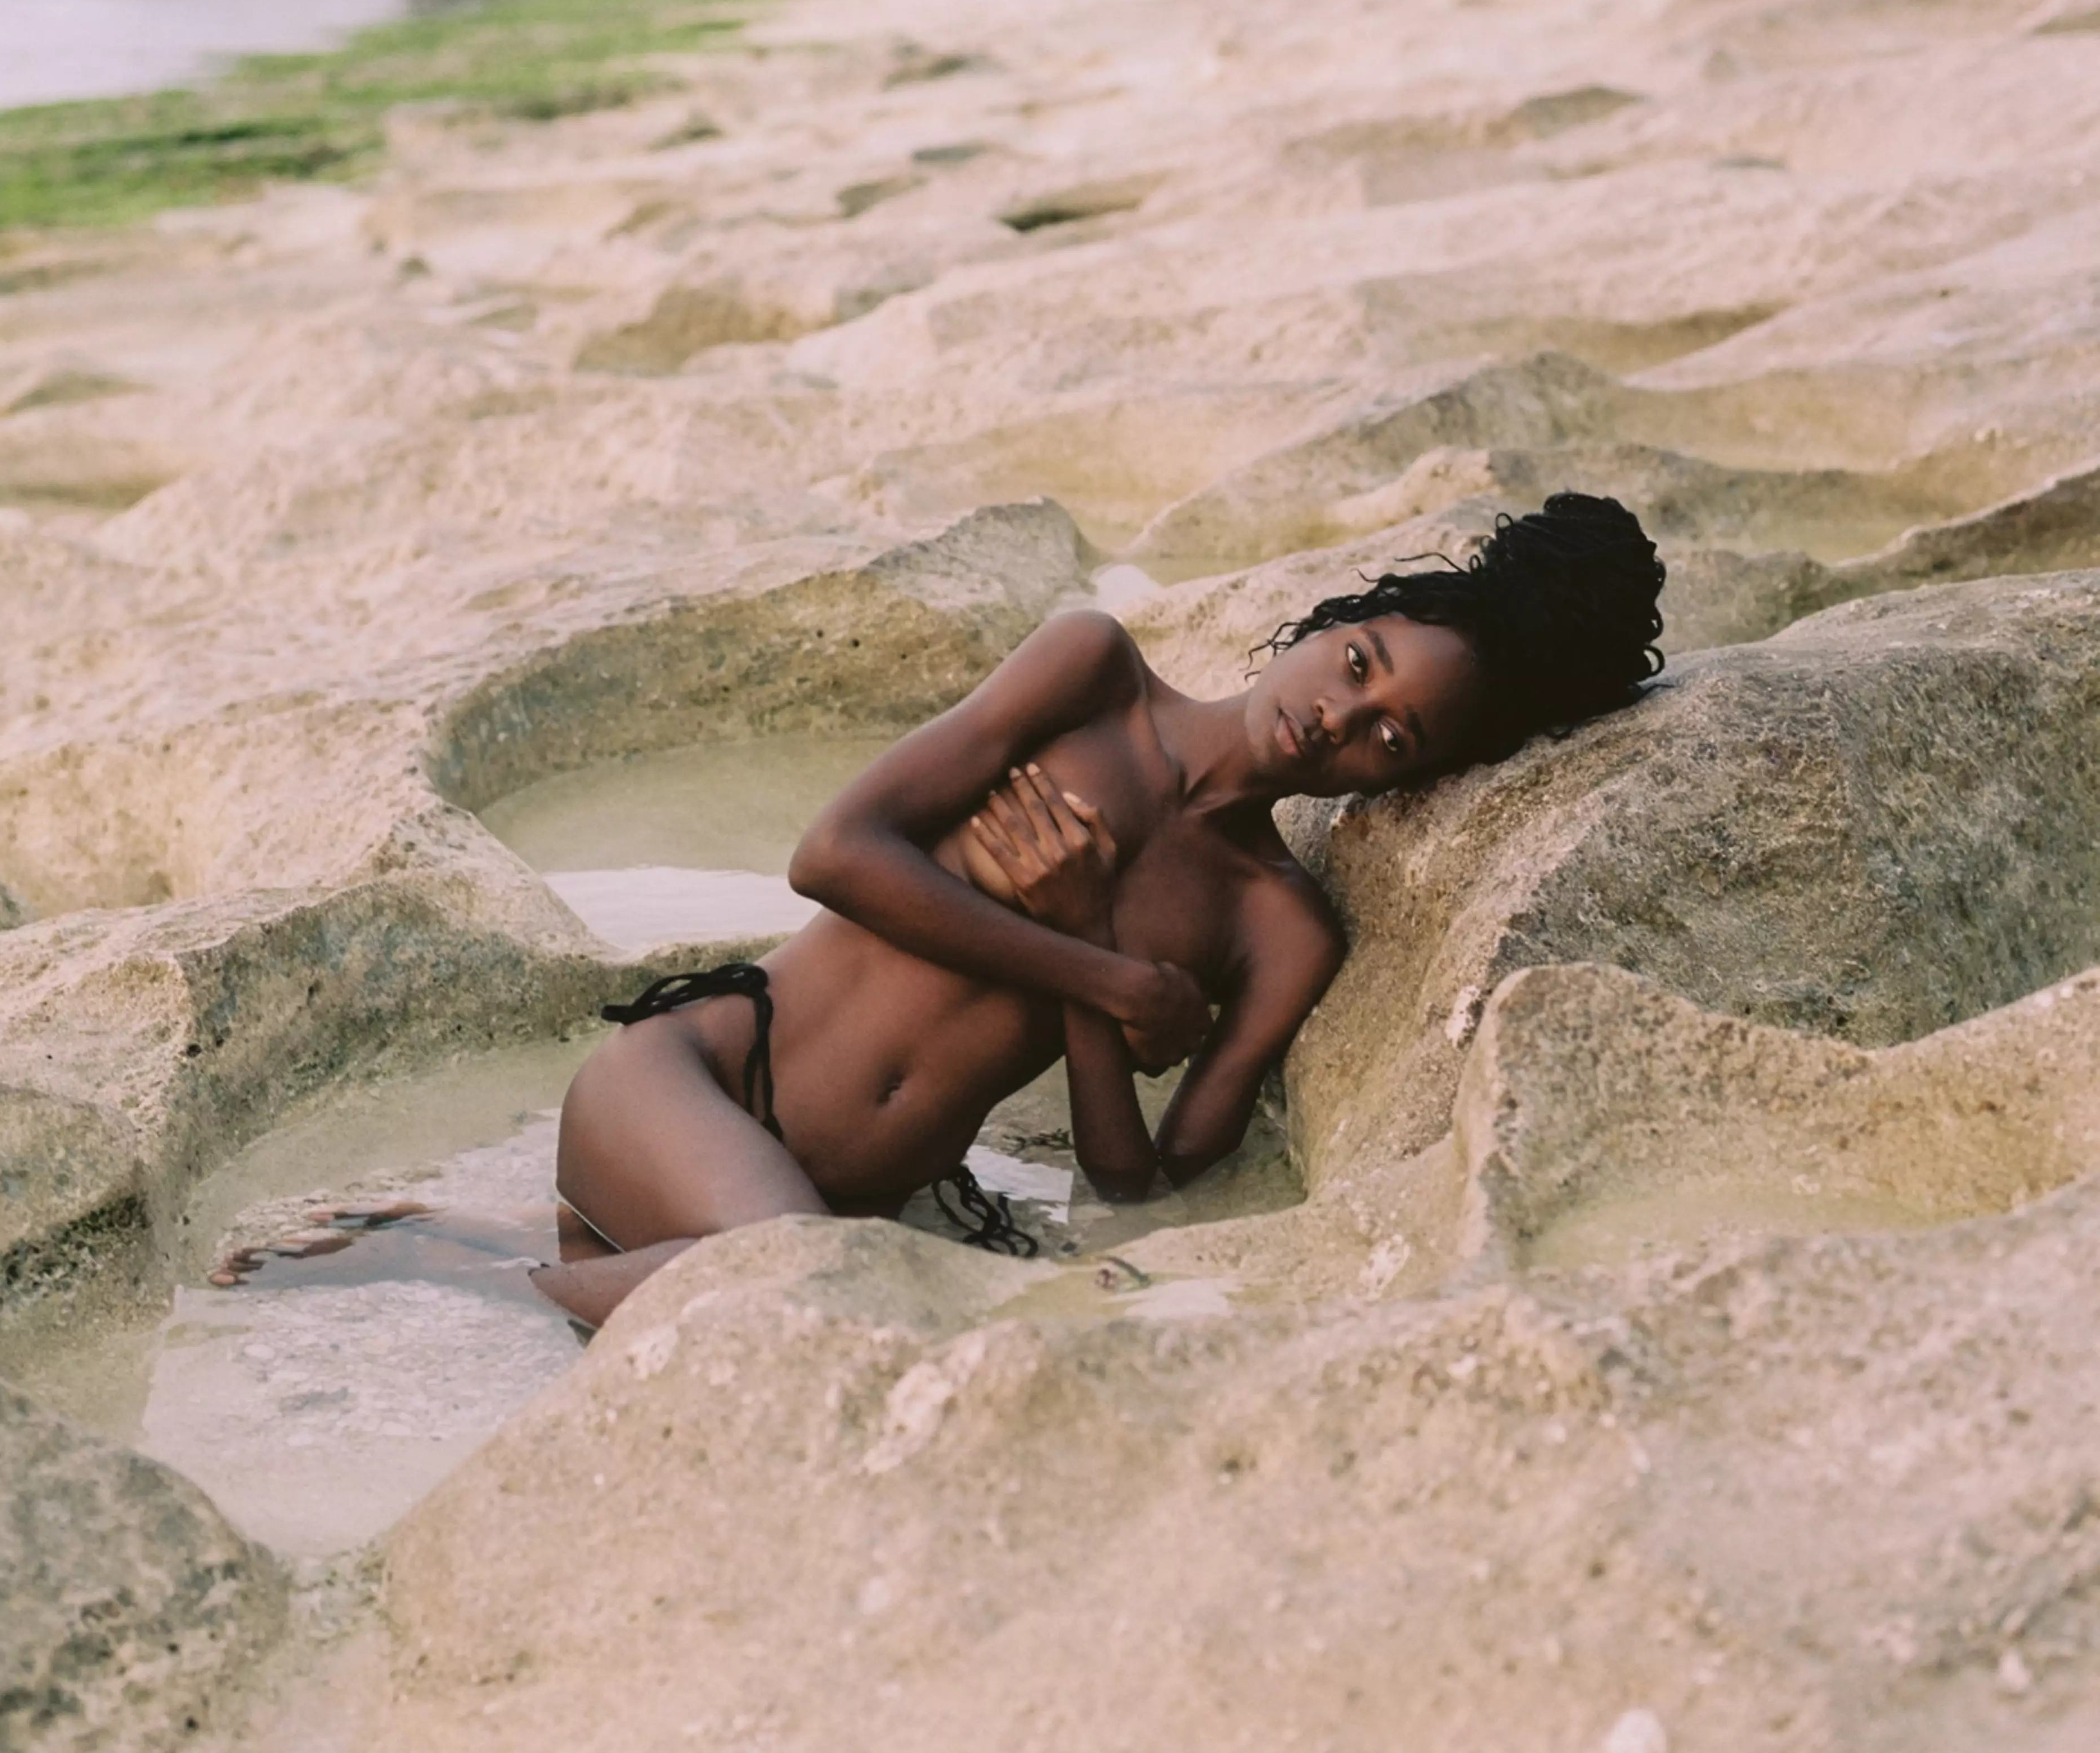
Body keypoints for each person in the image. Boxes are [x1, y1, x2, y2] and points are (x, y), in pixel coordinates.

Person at [534, 492, 1665, 1326]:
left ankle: (499, 1247)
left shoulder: (1279, 928)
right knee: (789, 1280)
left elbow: (1136, 1181)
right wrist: (1111, 977)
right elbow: (832, 853)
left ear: (1401, 782)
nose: (1339, 716)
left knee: (808, 1284)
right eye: (1360, 662)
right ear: (1331, 621)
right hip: (696, 1085)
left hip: (831, 1211)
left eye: (1393, 736)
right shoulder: (1093, 674)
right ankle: (464, 1290)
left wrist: (1085, 938)